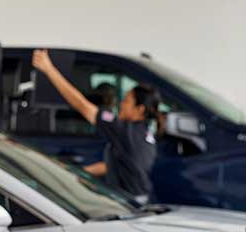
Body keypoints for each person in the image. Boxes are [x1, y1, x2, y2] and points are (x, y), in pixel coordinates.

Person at [31, 49, 160, 204]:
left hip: (130, 203)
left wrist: (48, 69)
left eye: (126, 101)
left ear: (140, 110)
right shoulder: (143, 134)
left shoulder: (126, 131)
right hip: (139, 199)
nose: (121, 104)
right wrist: (79, 174)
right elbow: (115, 167)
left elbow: (82, 106)